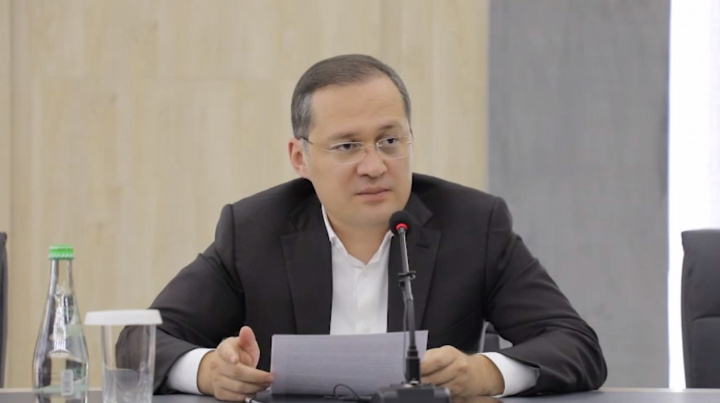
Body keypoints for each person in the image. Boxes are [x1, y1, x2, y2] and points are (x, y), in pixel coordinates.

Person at [117, 54, 607, 400]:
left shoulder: (473, 225)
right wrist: (208, 371)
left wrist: (484, 374)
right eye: (347, 146)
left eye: (389, 140)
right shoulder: (253, 230)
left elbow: (575, 344)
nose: (374, 166)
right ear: (300, 158)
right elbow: (139, 343)